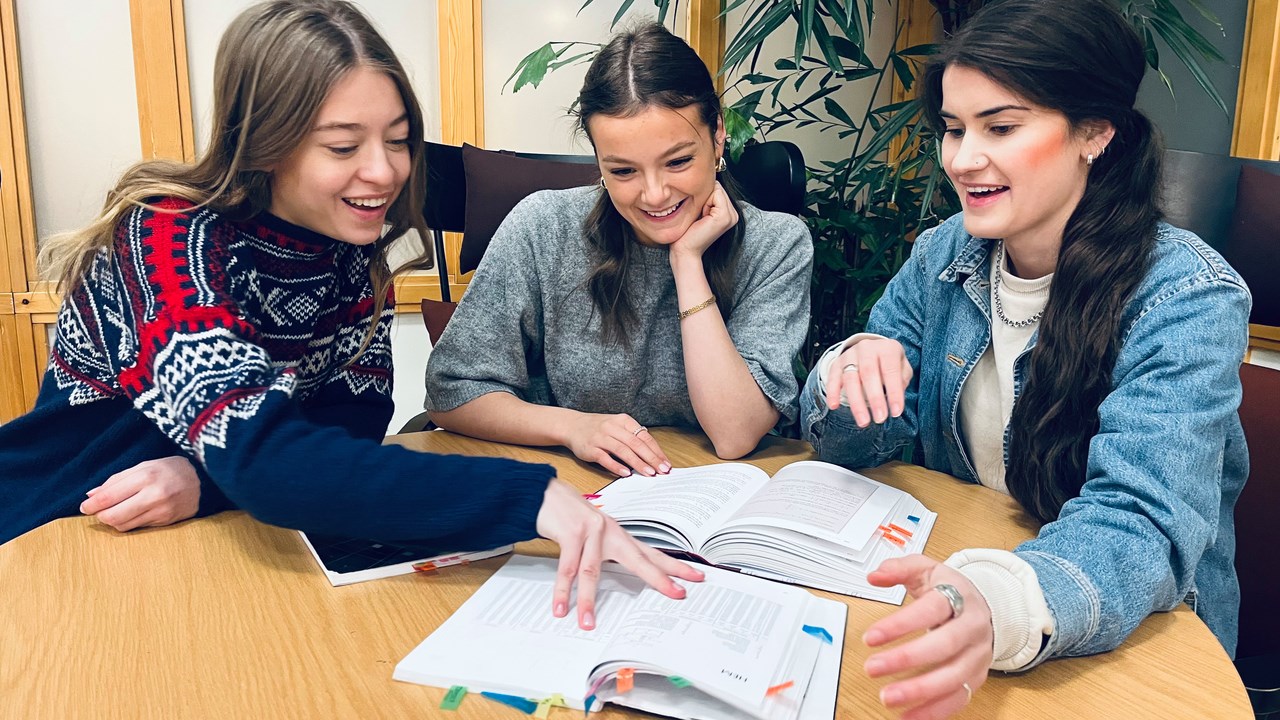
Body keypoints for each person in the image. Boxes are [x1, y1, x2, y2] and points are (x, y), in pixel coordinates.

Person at [0, 0, 702, 630]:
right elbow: (273, 460)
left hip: (204, 540)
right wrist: (533, 498)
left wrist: (208, 476)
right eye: (344, 147)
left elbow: (350, 422)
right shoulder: (169, 240)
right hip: (62, 532)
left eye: (398, 140)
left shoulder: (350, 249)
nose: (385, 172)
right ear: (265, 143)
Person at [800, 0, 1250, 716]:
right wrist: (848, 370)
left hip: (1129, 639)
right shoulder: (944, 252)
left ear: (1095, 131)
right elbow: (860, 444)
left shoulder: (1187, 295)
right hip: (963, 583)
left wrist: (997, 601)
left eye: (1000, 127)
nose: (962, 159)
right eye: (952, 129)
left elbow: (1143, 523)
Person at [424, 23, 813, 478]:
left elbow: (734, 433)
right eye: (624, 170)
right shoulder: (542, 226)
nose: (654, 195)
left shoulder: (776, 244)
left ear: (718, 135)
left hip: (712, 499)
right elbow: (451, 392)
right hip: (575, 492)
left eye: (678, 161)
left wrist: (687, 263)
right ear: (598, 162)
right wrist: (572, 427)